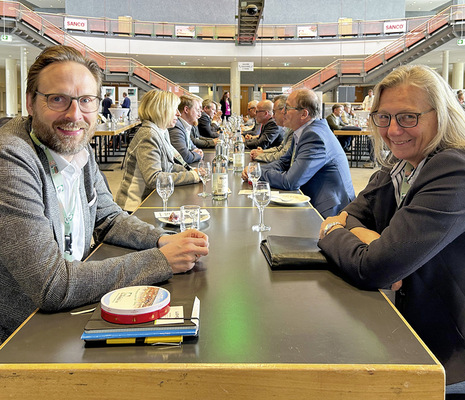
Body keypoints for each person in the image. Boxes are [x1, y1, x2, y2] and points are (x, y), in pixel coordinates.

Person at [0, 45, 209, 343]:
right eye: (57, 99)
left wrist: (164, 239)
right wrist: (161, 259)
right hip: (22, 337)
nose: (75, 115)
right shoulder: (11, 157)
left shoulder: (77, 146)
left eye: (86, 101)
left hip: (74, 312)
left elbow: (109, 218)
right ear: (30, 103)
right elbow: (51, 285)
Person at [317, 65, 465, 394]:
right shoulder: (396, 164)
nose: (393, 130)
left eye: (408, 117)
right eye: (383, 117)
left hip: (444, 354)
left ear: (441, 115)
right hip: (397, 326)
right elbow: (352, 213)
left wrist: (331, 234)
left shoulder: (453, 168)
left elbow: (375, 267)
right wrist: (372, 239)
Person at [242, 88, 355, 218]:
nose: (283, 112)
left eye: (287, 108)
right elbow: (284, 162)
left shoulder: (314, 136)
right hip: (316, 201)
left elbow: (291, 181)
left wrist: (256, 173)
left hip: (329, 211)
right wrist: (255, 169)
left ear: (304, 114)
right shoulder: (304, 131)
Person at [116, 90, 201, 212]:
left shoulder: (162, 131)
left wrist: (192, 171)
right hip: (136, 207)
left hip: (151, 201)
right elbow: (154, 179)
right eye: (174, 109)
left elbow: (169, 166)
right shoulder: (148, 134)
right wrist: (191, 176)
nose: (178, 113)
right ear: (162, 111)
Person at [250, 95, 293, 163]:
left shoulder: (274, 124)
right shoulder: (289, 129)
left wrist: (260, 155)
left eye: (274, 112)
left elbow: (283, 155)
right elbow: (279, 149)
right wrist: (262, 152)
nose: (273, 116)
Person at [168, 95, 204, 164]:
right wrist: (198, 155)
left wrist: (196, 151)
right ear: (186, 110)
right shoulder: (176, 126)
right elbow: (184, 156)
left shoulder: (184, 125)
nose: (200, 115)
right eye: (197, 110)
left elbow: (192, 146)